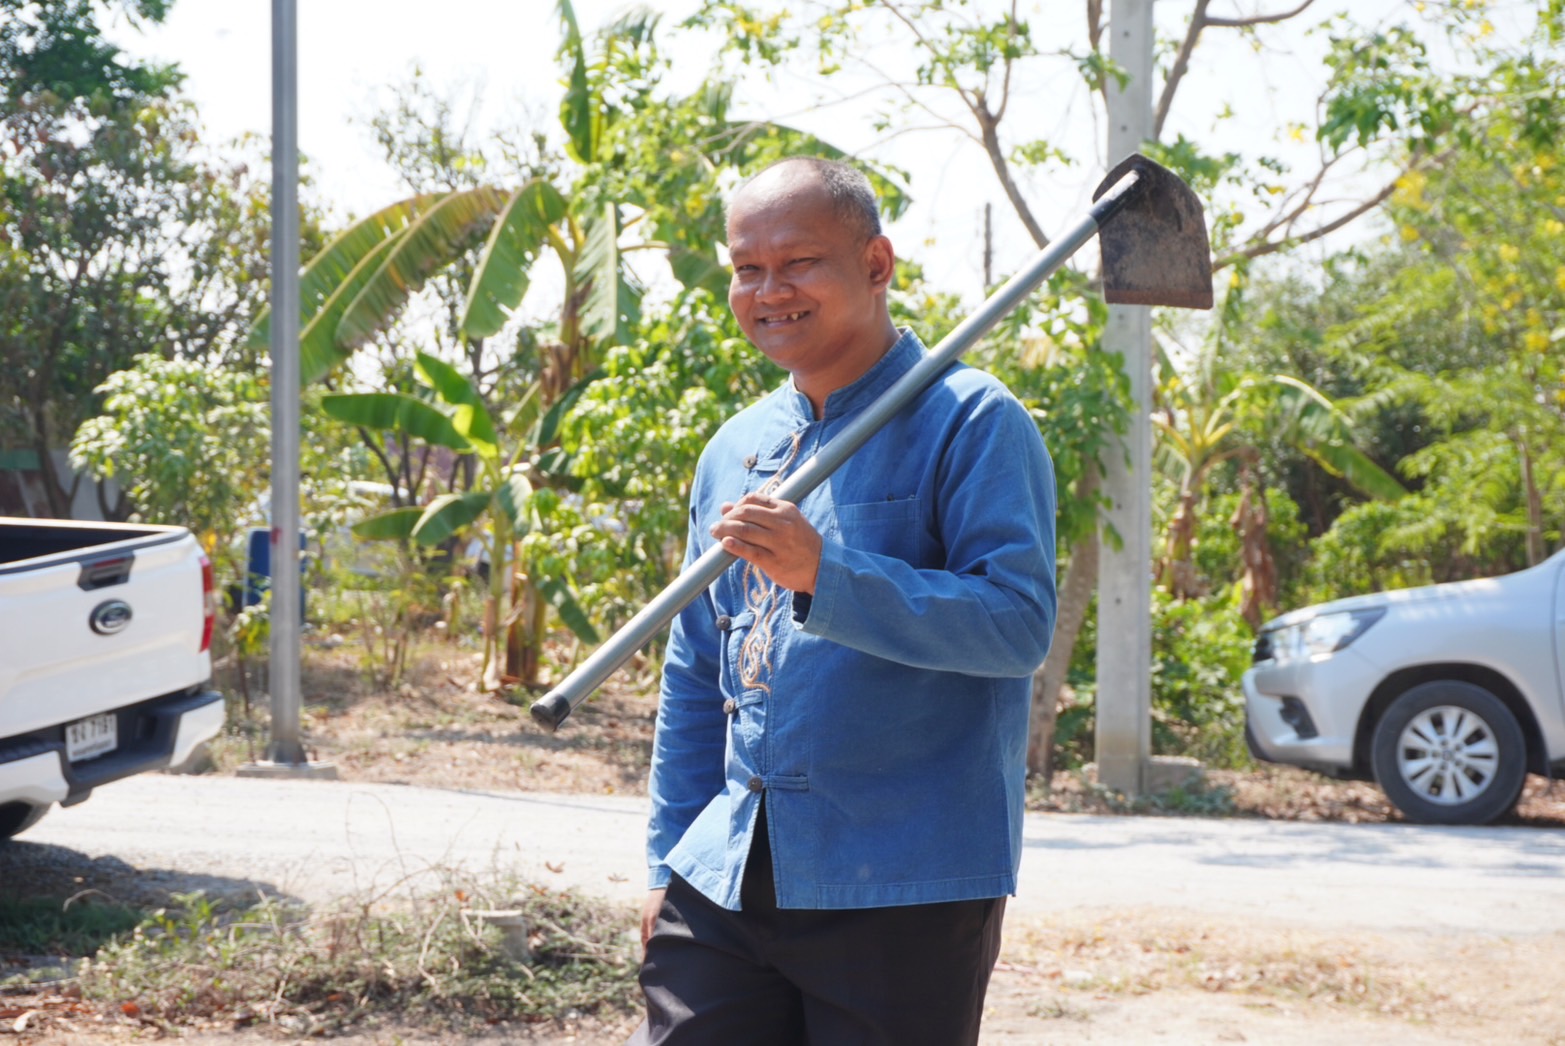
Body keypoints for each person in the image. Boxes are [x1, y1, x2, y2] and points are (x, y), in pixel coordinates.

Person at [631, 156, 1057, 1046]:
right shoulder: (736, 449)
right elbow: (694, 669)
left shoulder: (971, 421)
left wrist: (828, 575)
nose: (768, 290)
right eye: (747, 268)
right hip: (726, 867)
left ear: (876, 264)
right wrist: (666, 859)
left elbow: (1016, 626)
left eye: (798, 263)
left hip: (902, 881)